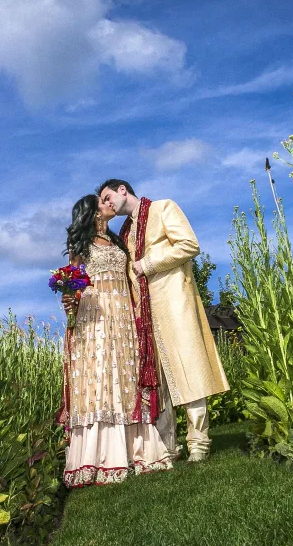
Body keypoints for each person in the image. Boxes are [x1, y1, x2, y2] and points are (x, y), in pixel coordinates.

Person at [81, 179, 230, 462]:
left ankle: (198, 442)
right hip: (143, 316)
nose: (107, 203)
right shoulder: (124, 233)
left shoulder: (163, 208)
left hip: (174, 304)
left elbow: (188, 244)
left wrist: (147, 264)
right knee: (157, 381)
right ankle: (168, 446)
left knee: (188, 370)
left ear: (122, 189)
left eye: (107, 196)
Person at [57, 194, 173, 488]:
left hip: (123, 316)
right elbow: (72, 281)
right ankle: (100, 457)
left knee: (126, 375)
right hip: (94, 315)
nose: (109, 204)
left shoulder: (119, 241)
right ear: (93, 212)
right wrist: (69, 299)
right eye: (102, 202)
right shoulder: (80, 244)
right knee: (99, 376)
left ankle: (138, 452)